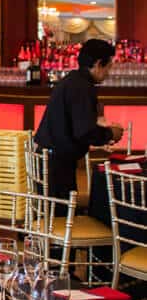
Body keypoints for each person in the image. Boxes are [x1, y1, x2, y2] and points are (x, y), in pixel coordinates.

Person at [34, 38, 123, 199]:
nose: (109, 72)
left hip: (49, 158)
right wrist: (110, 134)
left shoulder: (74, 80)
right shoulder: (83, 87)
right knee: (61, 217)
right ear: (97, 64)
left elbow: (76, 123)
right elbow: (84, 132)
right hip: (56, 164)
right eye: (108, 66)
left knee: (55, 214)